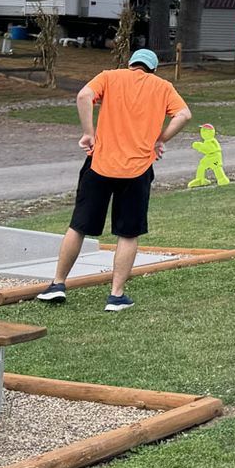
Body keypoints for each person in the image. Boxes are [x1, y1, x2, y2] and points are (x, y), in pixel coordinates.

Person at [39, 48, 190, 312]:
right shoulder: (163, 87)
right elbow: (184, 115)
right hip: (138, 168)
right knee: (128, 232)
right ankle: (116, 296)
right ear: (152, 69)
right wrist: (160, 140)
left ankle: (57, 284)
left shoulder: (109, 77)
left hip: (99, 164)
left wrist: (89, 134)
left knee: (78, 226)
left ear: (130, 64)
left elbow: (84, 95)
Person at [187, 123, 229, 188]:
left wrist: (198, 146)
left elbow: (207, 149)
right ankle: (200, 179)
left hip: (215, 157)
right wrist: (200, 146)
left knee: (217, 168)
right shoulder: (208, 141)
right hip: (210, 156)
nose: (201, 133)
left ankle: (222, 179)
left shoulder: (211, 141)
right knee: (202, 165)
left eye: (203, 131)